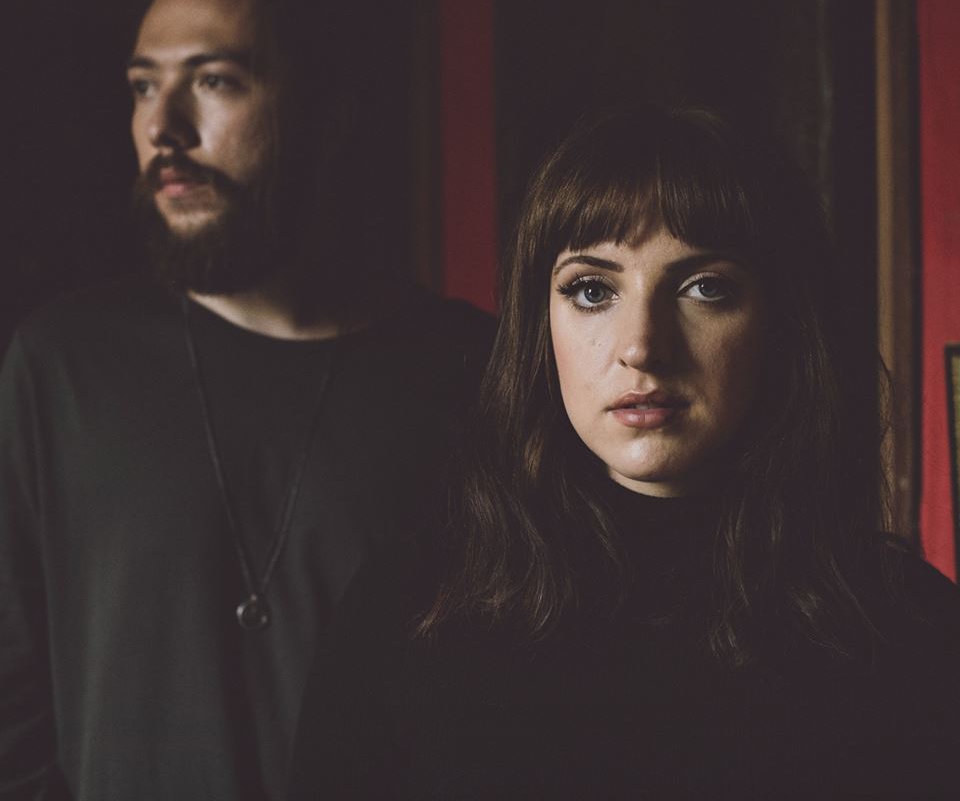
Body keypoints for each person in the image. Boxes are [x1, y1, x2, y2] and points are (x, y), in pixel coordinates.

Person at [289, 104, 960, 799]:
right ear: (540, 325)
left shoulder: (909, 636)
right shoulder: (407, 612)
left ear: (782, 325)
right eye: (592, 290)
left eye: (705, 288)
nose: (641, 346)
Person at [0, 0, 491, 800]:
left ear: (327, 113)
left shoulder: (466, 369)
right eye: (143, 87)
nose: (164, 129)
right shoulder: (62, 364)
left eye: (216, 81)